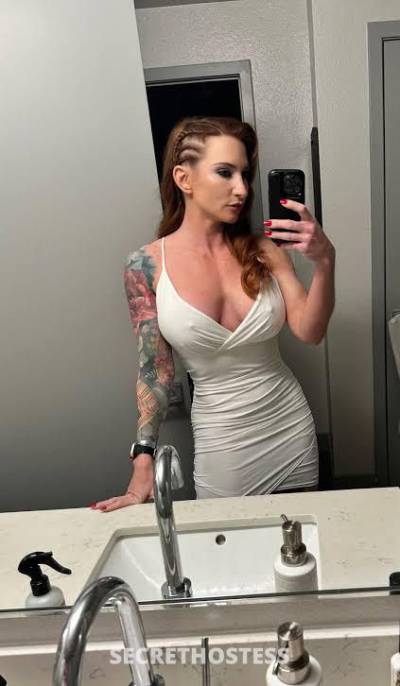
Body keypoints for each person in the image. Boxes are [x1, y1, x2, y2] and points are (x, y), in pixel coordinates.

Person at [92, 116, 335, 513]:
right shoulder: (146, 265)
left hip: (289, 427)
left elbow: (311, 331)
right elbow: (155, 371)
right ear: (184, 179)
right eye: (225, 172)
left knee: (296, 543)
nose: (241, 188)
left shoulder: (265, 251)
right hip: (222, 443)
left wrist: (325, 262)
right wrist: (143, 457)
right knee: (228, 545)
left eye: (244, 175)